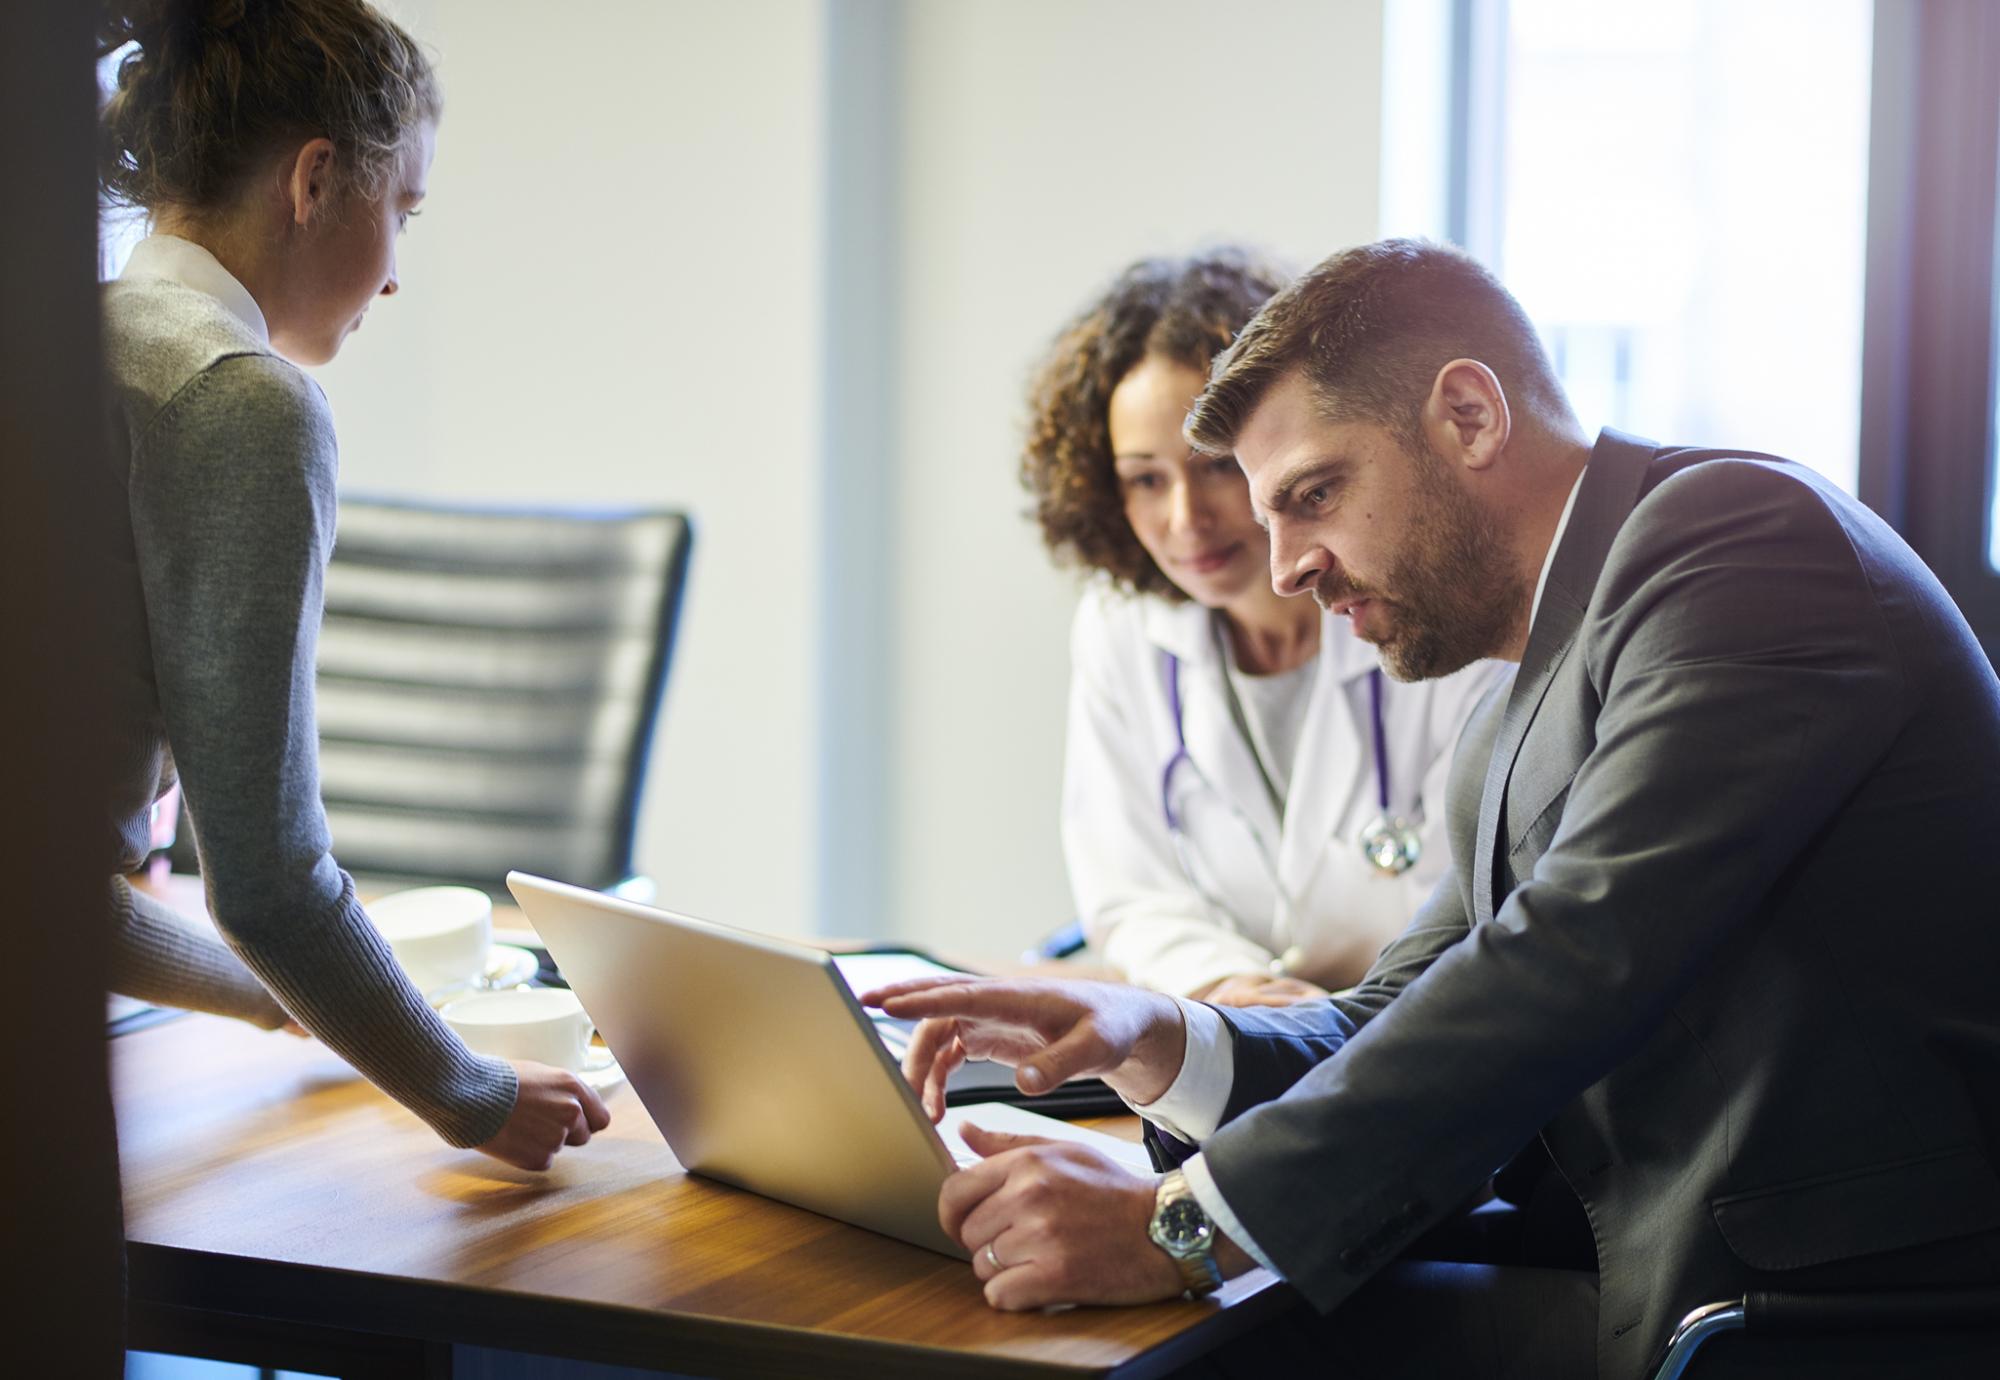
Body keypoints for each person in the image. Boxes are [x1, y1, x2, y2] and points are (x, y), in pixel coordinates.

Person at [866, 239, 2000, 1377]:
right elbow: (1395, 1013)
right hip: (1635, 1268)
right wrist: (1161, 1037)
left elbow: (1565, 964)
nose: (1288, 566)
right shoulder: (1521, 689)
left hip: (1822, 1316)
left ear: (1466, 416)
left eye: (1312, 496)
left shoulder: (1738, 545)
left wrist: (1183, 1228)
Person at [96, 0, 607, 1172]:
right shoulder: (235, 398)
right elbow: (267, 882)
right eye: (403, 211)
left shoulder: (66, 343)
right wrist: (470, 1093)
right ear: (315, 180)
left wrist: (309, 1005)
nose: (389, 280)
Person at [1022, 251, 1500, 1002]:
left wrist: (1313, 1023)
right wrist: (1228, 987)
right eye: (1145, 479)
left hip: (1408, 1046)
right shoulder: (1124, 629)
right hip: (1220, 1036)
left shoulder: (1433, 615)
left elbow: (1471, 907)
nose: (1186, 520)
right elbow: (1130, 893)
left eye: (1213, 466)